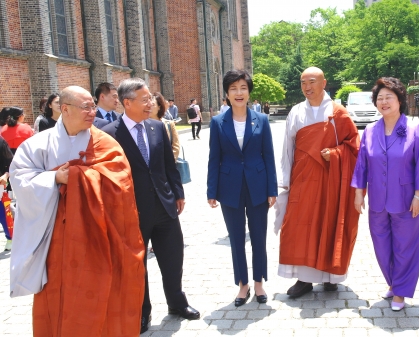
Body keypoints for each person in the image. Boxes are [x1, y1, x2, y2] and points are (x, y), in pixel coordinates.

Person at [9, 85, 145, 336]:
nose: (92, 112)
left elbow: (121, 182)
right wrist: (54, 179)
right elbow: (19, 179)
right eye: (86, 107)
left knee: (101, 292)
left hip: (98, 236)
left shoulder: (106, 143)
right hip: (56, 240)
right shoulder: (38, 144)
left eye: (93, 106)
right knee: (59, 294)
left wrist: (76, 175)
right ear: (65, 109)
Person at [102, 78, 199, 334]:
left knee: (172, 258)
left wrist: (178, 193)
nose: (151, 103)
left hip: (165, 207)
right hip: (132, 213)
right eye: (144, 99)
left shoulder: (158, 128)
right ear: (127, 103)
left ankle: (177, 304)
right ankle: (142, 312)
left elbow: (169, 166)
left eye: (150, 98)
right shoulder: (109, 134)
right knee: (138, 266)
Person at [275, 67, 360, 298]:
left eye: (312, 81)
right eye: (303, 82)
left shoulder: (338, 113)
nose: (307, 87)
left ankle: (330, 276)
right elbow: (287, 148)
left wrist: (334, 154)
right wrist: (285, 181)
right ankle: (304, 280)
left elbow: (354, 146)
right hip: (302, 178)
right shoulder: (296, 112)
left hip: (330, 179)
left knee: (328, 222)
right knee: (300, 226)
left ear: (324, 82)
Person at [351, 77, 419, 311]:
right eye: (379, 98)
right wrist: (358, 193)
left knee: (405, 247)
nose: (383, 102)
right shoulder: (371, 131)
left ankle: (401, 292)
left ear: (399, 100)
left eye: (388, 97)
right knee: (381, 245)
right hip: (377, 200)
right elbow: (362, 163)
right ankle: (394, 282)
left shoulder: (414, 129)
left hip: (406, 200)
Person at [207, 70, 278, 306]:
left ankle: (258, 282)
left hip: (258, 186)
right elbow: (213, 158)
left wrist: (272, 189)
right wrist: (211, 190)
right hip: (229, 188)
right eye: (233, 88)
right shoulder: (218, 123)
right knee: (236, 239)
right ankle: (242, 285)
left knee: (259, 236)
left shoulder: (262, 120)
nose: (239, 93)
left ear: (249, 92)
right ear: (226, 94)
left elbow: (268, 156)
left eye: (243, 88)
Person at [151, 92, 180, 161]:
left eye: (152, 105)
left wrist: (169, 162)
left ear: (159, 106)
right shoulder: (141, 124)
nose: (149, 107)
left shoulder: (169, 124)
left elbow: (175, 146)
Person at [0, 135, 13, 251]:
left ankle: (10, 238)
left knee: (2, 213)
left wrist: (6, 174)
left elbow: (11, 162)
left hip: (0, 183)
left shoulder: (1, 142)